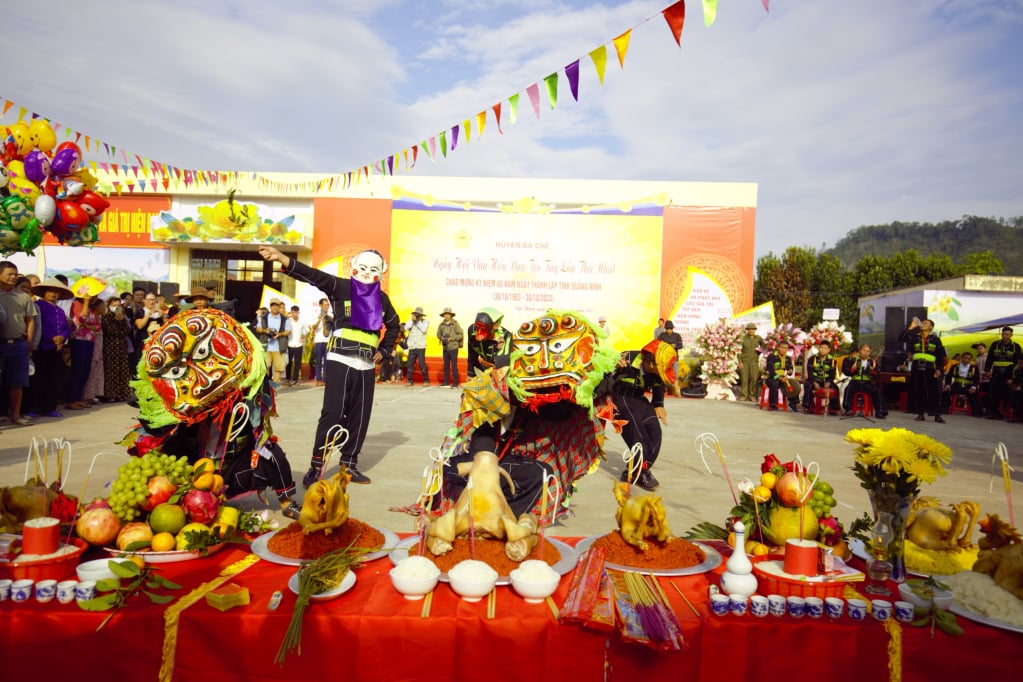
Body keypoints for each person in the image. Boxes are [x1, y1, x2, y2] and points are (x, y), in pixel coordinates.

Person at [258, 245, 399, 486]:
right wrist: (283, 259)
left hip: (366, 364)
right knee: (332, 413)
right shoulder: (341, 287)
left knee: (360, 415)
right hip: (340, 359)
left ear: (381, 272)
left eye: (373, 269)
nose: (366, 272)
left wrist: (384, 350)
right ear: (354, 267)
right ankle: (316, 466)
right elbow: (313, 275)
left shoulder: (382, 300)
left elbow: (394, 325)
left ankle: (349, 464)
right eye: (363, 267)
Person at [611, 340, 677, 490]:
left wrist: (659, 404)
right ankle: (640, 472)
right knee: (639, 441)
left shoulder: (655, 372)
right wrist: (612, 366)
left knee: (655, 435)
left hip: (639, 400)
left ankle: (636, 471)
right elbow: (601, 373)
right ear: (651, 363)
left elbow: (659, 384)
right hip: (621, 400)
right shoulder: (626, 358)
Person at [26, 278, 72, 418]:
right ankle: (35, 408)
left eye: (56, 292)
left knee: (53, 379)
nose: (53, 294)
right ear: (44, 293)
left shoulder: (59, 310)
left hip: (56, 349)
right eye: (50, 291)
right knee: (38, 379)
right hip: (41, 347)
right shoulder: (37, 306)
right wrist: (52, 338)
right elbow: (38, 326)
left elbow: (66, 327)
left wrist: (62, 338)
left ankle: (50, 407)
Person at [899, 318, 946, 423]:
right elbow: (901, 338)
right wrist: (911, 327)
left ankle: (936, 415)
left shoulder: (935, 339)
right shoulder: (915, 337)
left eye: (926, 323)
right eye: (923, 323)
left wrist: (939, 369)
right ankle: (920, 414)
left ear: (931, 327)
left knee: (933, 392)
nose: (923, 324)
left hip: (931, 369)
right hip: (917, 368)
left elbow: (941, 355)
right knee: (919, 391)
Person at [67, 294, 102, 410]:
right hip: (79, 339)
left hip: (90, 340)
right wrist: (86, 303)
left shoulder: (92, 309)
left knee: (85, 370)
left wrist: (87, 326)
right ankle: (71, 399)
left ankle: (78, 398)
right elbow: (82, 318)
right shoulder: (77, 304)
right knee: (77, 369)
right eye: (93, 297)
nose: (95, 299)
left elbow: (97, 326)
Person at [983, 326, 1022, 420]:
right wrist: (987, 370)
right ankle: (993, 413)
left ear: (1011, 335)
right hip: (996, 371)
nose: (1005, 336)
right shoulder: (995, 344)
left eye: (1007, 334)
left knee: (1007, 392)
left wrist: (1016, 375)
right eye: (1003, 334)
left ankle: (1013, 414)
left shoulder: (1016, 346)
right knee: (993, 392)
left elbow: (1019, 361)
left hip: (1009, 373)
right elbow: (990, 358)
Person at [841, 344, 888, 419]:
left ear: (869, 353)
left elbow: (877, 373)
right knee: (849, 389)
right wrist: (852, 369)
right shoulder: (853, 360)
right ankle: (848, 409)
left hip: (867, 382)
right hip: (856, 381)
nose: (865, 353)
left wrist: (873, 372)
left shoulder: (872, 362)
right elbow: (846, 371)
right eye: (863, 350)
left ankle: (880, 411)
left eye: (867, 351)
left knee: (877, 391)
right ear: (860, 351)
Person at [100, 295, 132, 402]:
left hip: (121, 346)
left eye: (118, 305)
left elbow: (127, 330)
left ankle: (122, 394)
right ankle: (110, 394)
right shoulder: (105, 317)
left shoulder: (123, 317)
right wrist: (117, 322)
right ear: (109, 306)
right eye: (114, 305)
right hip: (110, 346)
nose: (116, 307)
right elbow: (109, 330)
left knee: (122, 369)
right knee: (110, 370)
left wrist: (122, 320)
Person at [466, 308, 511, 377]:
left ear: (495, 325)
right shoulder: (472, 330)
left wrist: (500, 350)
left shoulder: (505, 336)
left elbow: (508, 363)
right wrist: (470, 374)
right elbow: (472, 355)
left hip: (502, 372)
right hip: (483, 368)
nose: (479, 332)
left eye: (483, 329)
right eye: (478, 327)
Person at [256, 299, 291, 383]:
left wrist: (280, 334)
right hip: (266, 347)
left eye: (276, 305)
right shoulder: (263, 318)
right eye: (273, 305)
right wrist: (266, 331)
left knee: (278, 369)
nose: (274, 307)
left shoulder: (284, 319)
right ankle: (267, 386)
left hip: (279, 347)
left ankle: (274, 388)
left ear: (279, 307)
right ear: (270, 306)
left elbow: (288, 331)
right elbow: (258, 329)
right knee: (265, 367)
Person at [802, 341, 839, 414]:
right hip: (814, 380)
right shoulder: (812, 359)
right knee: (808, 385)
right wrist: (814, 382)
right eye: (821, 348)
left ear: (829, 350)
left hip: (826, 381)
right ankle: (808, 406)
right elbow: (810, 373)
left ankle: (833, 409)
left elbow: (832, 374)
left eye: (825, 348)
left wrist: (828, 382)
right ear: (818, 348)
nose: (822, 350)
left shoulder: (833, 360)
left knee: (835, 388)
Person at [943, 350, 981, 416]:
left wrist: (974, 387)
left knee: (974, 395)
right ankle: (944, 409)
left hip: (968, 386)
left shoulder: (974, 368)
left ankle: (976, 412)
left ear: (970, 360)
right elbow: (949, 376)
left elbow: (976, 378)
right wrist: (948, 385)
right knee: (946, 391)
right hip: (956, 385)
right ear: (961, 358)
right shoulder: (955, 366)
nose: (966, 360)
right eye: (965, 358)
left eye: (968, 359)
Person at [765, 341, 800, 412]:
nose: (784, 350)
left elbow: (790, 369)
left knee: (793, 384)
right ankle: (773, 405)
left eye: (786, 348)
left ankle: (793, 403)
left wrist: (790, 370)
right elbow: (770, 370)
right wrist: (779, 377)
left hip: (783, 377)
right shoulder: (771, 356)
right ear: (777, 347)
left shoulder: (788, 358)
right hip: (771, 377)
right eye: (782, 348)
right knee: (775, 383)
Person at [437, 307, 463, 388]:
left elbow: (460, 334)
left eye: (448, 314)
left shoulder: (455, 323)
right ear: (443, 315)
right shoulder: (441, 324)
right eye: (445, 314)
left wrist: (451, 339)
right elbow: (438, 334)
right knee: (446, 365)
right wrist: (441, 337)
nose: (446, 316)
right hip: (445, 347)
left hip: (453, 347)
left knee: (454, 365)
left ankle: (455, 383)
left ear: (451, 315)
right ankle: (446, 382)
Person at [737, 322, 763, 402]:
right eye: (750, 329)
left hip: (754, 362)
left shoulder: (758, 338)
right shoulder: (743, 339)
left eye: (753, 329)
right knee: (744, 379)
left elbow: (765, 346)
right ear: (747, 330)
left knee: (754, 379)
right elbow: (739, 350)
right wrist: (740, 362)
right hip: (744, 362)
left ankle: (752, 396)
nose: (751, 331)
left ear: (755, 330)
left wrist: (760, 352)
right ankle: (744, 395)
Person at [404, 306, 429, 385]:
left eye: (418, 315)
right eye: (416, 314)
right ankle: (409, 380)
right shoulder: (410, 321)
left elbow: (423, 330)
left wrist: (417, 321)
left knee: (422, 363)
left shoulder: (425, 322)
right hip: (412, 345)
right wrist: (412, 320)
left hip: (420, 346)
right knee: (410, 363)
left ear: (421, 315)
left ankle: (426, 380)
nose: (417, 316)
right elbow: (405, 327)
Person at [285, 305, 310, 386]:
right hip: (290, 344)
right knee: (288, 363)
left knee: (297, 363)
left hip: (299, 345)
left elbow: (307, 331)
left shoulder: (302, 321)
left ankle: (295, 379)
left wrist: (304, 338)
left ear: (298, 312)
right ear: (291, 312)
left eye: (296, 312)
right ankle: (288, 378)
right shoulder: (288, 321)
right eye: (293, 312)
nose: (294, 314)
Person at [311, 298, 333, 386]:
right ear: (320, 305)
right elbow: (313, 327)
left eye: (327, 305)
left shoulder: (331, 315)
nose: (326, 307)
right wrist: (320, 320)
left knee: (327, 362)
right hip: (319, 341)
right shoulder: (316, 315)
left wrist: (326, 320)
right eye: (324, 305)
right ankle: (318, 379)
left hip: (328, 341)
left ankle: (325, 380)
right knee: (319, 361)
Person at [972, 342, 989, 415]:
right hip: (979, 379)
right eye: (978, 349)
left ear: (985, 349)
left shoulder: (989, 357)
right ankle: (980, 409)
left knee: (987, 394)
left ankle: (986, 409)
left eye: (981, 348)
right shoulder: (977, 359)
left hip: (988, 379)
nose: (979, 350)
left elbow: (991, 368)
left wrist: (988, 373)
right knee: (979, 394)